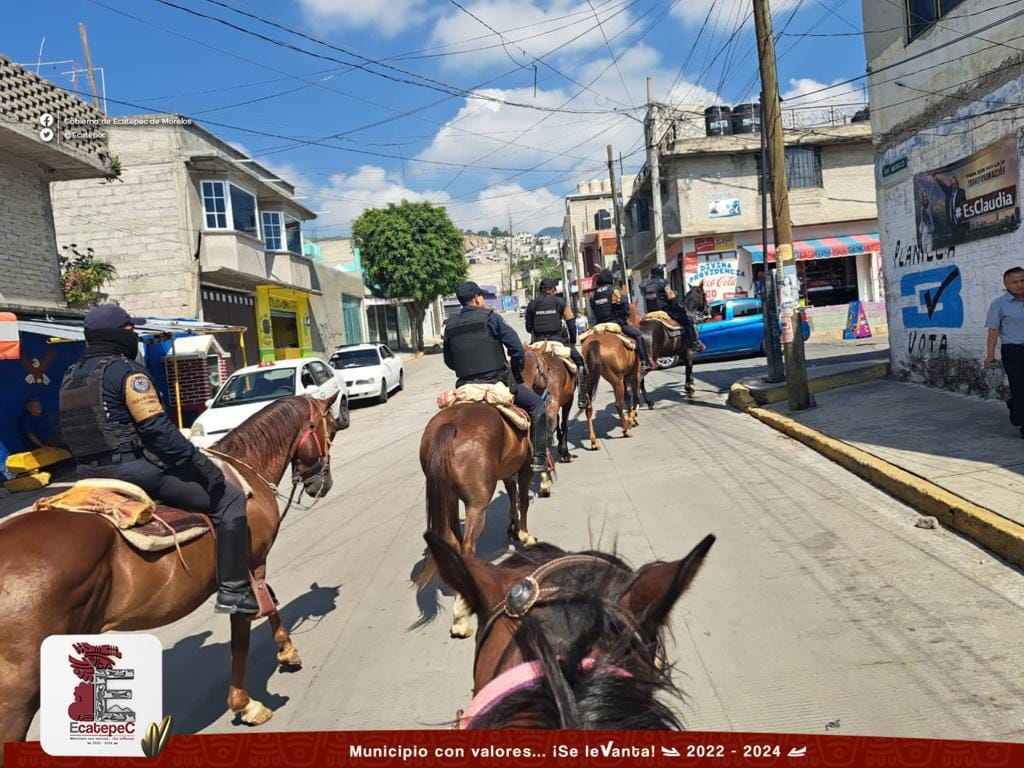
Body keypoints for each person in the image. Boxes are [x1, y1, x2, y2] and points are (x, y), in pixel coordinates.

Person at [59, 304, 258, 614]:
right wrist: (202, 466)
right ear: (117, 335)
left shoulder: (70, 377)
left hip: (86, 473)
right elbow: (159, 432)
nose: (134, 335)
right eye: (130, 330)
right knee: (229, 498)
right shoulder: (126, 372)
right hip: (131, 471)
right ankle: (233, 590)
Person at [443, 281, 549, 471]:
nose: (482, 299)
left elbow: (449, 361)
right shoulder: (491, 318)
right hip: (496, 383)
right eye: (481, 296)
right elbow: (516, 349)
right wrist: (515, 374)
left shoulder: (450, 326)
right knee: (537, 405)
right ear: (476, 298)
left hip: (465, 387)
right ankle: (539, 459)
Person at [525, 278, 588, 409]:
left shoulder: (532, 304)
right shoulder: (560, 302)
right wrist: (572, 341)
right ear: (553, 290)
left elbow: (528, 327)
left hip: (537, 344)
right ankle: (582, 397)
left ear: (541, 290)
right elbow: (571, 322)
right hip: (557, 341)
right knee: (580, 362)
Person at [985, 267, 1024, 438]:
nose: (1020, 285)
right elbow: (993, 331)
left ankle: (1015, 406)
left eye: (1023, 280)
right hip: (1013, 352)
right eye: (1014, 282)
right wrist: (990, 356)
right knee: (1019, 387)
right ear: (1006, 284)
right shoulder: (999, 304)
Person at [590, 269, 652, 370]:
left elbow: (593, 310)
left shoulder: (593, 294)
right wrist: (624, 316)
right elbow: (624, 305)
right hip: (615, 322)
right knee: (639, 336)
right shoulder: (615, 290)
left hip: (599, 325)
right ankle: (645, 362)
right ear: (610, 279)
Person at [932, 173, 968, 244]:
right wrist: (936, 179)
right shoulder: (949, 193)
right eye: (952, 183)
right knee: (954, 243)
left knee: (961, 242)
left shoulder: (961, 192)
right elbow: (943, 186)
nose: (954, 185)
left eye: (955, 183)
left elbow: (963, 202)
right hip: (952, 224)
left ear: (957, 183)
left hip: (960, 223)